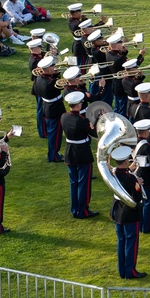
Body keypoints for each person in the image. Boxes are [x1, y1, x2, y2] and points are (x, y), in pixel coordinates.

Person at [107, 145, 146, 278]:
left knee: (121, 241)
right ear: (125, 161)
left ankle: (122, 271)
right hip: (129, 212)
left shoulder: (112, 173)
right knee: (131, 242)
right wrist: (138, 184)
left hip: (117, 210)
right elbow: (137, 197)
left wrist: (130, 170)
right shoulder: (131, 179)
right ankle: (130, 271)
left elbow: (121, 173)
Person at [61, 91, 98, 219]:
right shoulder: (82, 120)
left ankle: (75, 209)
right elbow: (95, 133)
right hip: (82, 153)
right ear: (79, 105)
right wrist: (97, 119)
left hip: (70, 152)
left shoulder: (64, 117)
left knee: (74, 183)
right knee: (84, 183)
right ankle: (83, 210)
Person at [131, 119, 150, 233]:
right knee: (148, 202)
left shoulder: (134, 143)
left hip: (137, 173)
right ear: (146, 133)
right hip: (147, 175)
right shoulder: (148, 146)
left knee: (141, 201)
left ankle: (141, 224)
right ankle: (147, 227)